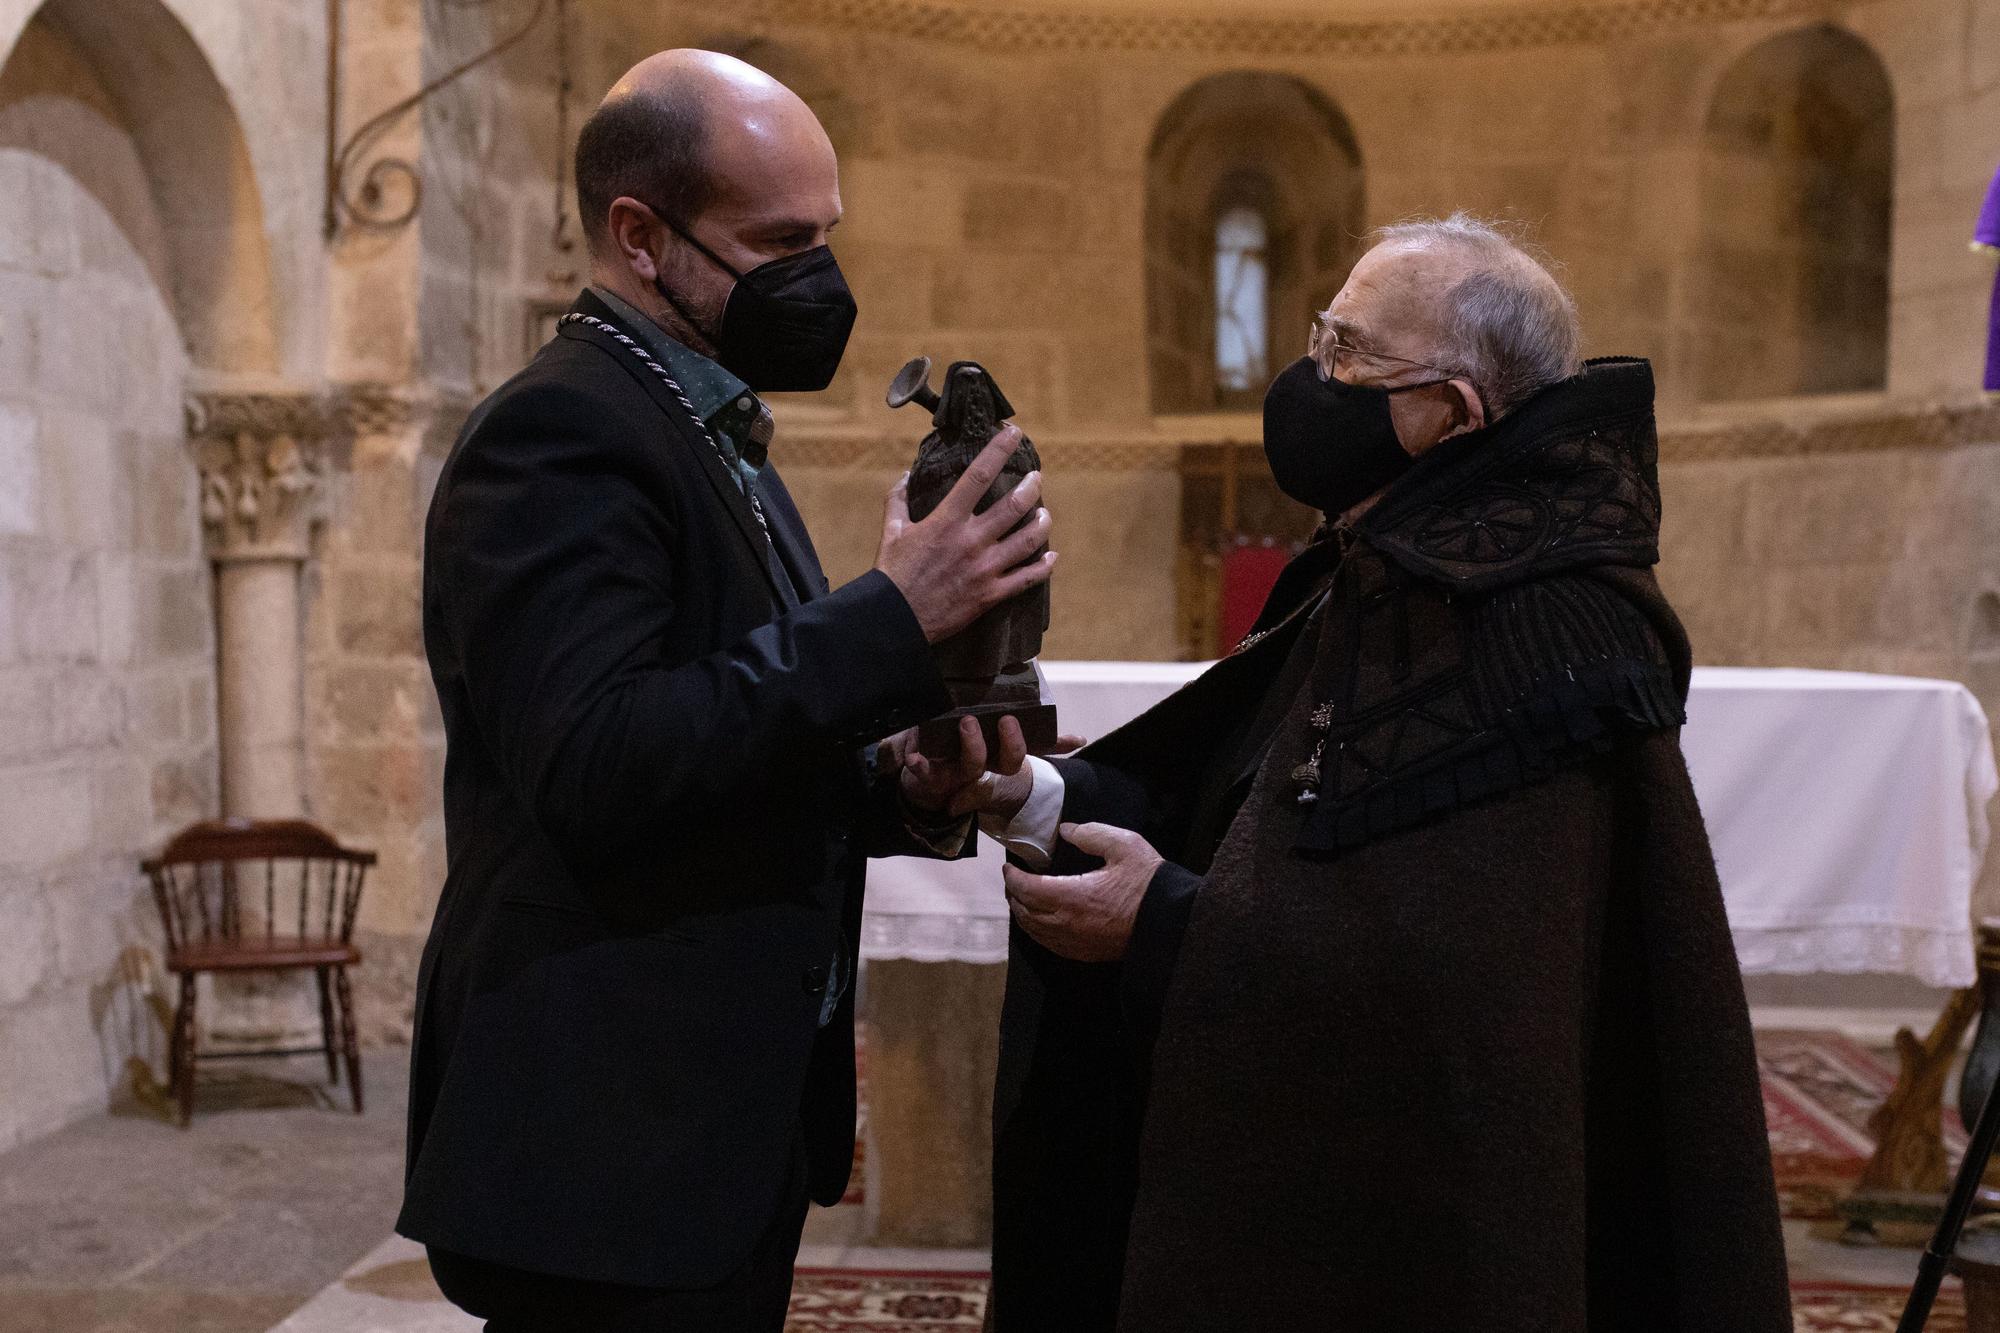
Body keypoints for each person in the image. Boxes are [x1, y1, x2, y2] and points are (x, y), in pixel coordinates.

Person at [969, 214, 1791, 1332]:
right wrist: (1037, 796)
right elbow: (1248, 805)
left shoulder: (1546, 621)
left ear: (1450, 414)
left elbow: (1455, 994)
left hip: (1423, 1232)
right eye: (1319, 337)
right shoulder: (1382, 558)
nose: (1311, 379)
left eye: (1348, 356)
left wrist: (1163, 927)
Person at [396, 50, 1055, 1332]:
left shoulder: (703, 427)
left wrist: (902, 784)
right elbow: (599, 760)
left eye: (827, 233)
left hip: (700, 1120)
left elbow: (737, 733)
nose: (818, 277)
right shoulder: (561, 434)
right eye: (778, 239)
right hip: (607, 1126)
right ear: (640, 236)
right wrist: (889, 618)